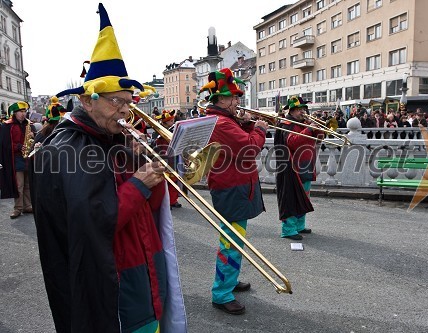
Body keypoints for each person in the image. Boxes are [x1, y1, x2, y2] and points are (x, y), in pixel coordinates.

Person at [32, 4, 187, 332]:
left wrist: (144, 167)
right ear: (87, 101)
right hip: (114, 274)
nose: (125, 110)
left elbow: (151, 206)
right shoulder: (68, 147)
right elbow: (97, 219)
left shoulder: (112, 138)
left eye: (128, 101)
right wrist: (141, 182)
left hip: (145, 260)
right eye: (116, 101)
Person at [199, 67, 268, 315]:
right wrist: (259, 129)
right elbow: (250, 149)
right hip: (232, 188)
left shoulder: (227, 121)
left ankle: (230, 279)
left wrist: (248, 125)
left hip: (236, 185)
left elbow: (241, 145)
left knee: (235, 240)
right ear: (221, 99)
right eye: (235, 97)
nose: (238, 101)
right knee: (231, 242)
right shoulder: (222, 123)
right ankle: (221, 292)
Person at [274, 96, 323, 241]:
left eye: (304, 109)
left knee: (304, 198)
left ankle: (300, 225)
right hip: (292, 169)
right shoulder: (286, 124)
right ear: (293, 110)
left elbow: (319, 139)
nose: (304, 112)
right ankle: (289, 229)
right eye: (301, 109)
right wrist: (309, 129)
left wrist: (318, 130)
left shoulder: (304, 123)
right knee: (292, 199)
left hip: (307, 166)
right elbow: (292, 142)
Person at [0, 101, 36, 218]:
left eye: (24, 111)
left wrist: (32, 136)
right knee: (19, 185)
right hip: (15, 158)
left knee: (27, 184)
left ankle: (27, 206)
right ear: (14, 113)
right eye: (20, 111)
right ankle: (18, 208)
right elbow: (5, 144)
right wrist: (19, 146)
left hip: (28, 157)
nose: (23, 114)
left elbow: (34, 139)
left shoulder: (29, 124)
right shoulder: (7, 125)